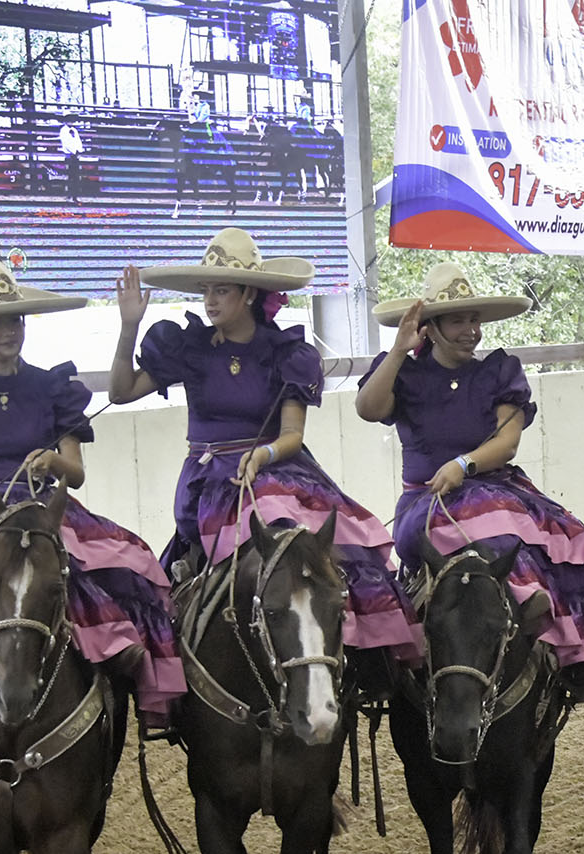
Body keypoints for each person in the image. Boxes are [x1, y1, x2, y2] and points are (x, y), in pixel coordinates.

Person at [109, 227, 423, 684]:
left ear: (249, 294)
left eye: (222, 290)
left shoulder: (284, 352)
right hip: (212, 479)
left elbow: (292, 435)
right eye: (207, 290)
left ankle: (359, 661)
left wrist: (263, 454)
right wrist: (129, 327)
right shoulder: (189, 347)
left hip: (279, 468)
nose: (210, 301)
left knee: (336, 544)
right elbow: (120, 392)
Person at [0, 256, 184, 722]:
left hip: (42, 505)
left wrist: (53, 462)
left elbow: (75, 472)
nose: (8, 331)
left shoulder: (51, 386)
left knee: (122, 560)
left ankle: (118, 661)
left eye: (14, 320)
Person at [356, 262, 584, 700]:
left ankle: (568, 651)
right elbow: (368, 409)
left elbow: (507, 444)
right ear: (431, 328)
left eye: (474, 320)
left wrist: (463, 464)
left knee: (565, 543)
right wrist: (397, 352)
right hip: (428, 502)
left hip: (497, 489)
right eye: (458, 321)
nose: (470, 330)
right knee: (495, 528)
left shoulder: (499, 371)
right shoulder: (404, 372)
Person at [59, 120, 85, 200]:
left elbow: (78, 141)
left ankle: (75, 195)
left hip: (76, 156)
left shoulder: (74, 130)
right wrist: (73, 151)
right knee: (69, 175)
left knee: (76, 176)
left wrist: (79, 150)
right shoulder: (63, 130)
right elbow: (65, 143)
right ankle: (69, 194)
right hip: (69, 155)